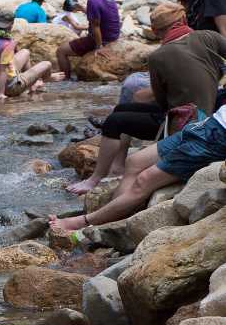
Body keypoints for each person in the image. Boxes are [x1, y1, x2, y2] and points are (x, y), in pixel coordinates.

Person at [66, 2, 226, 194]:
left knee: (115, 121)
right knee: (121, 110)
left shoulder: (159, 56)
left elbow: (161, 100)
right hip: (213, 114)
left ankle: (95, 178)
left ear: (157, 30)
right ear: (183, 20)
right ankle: (117, 166)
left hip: (183, 121)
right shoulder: (209, 37)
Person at [50, 100, 226, 233]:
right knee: (134, 161)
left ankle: (86, 222)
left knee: (144, 180)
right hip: (207, 125)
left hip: (217, 139)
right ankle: (110, 216)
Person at [0, 10, 61, 100]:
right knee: (47, 64)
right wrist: (1, 94)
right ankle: (44, 80)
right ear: (11, 25)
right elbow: (3, 70)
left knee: (25, 52)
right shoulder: (7, 44)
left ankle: (32, 84)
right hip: (11, 87)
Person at [56, 0, 121, 79]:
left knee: (61, 51)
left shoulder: (92, 1)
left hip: (101, 40)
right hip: (114, 37)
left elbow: (96, 26)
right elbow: (102, 16)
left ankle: (66, 80)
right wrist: (83, 9)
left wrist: (99, 47)